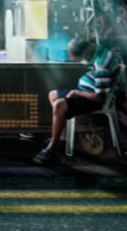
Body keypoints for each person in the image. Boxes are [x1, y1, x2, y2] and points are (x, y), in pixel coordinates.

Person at [33, 35, 120, 166]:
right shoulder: (99, 48)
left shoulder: (102, 66)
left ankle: (52, 148)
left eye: (77, 58)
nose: (79, 61)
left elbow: (99, 98)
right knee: (53, 95)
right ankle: (62, 135)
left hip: (92, 99)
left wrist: (76, 92)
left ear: (85, 53)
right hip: (87, 91)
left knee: (59, 105)